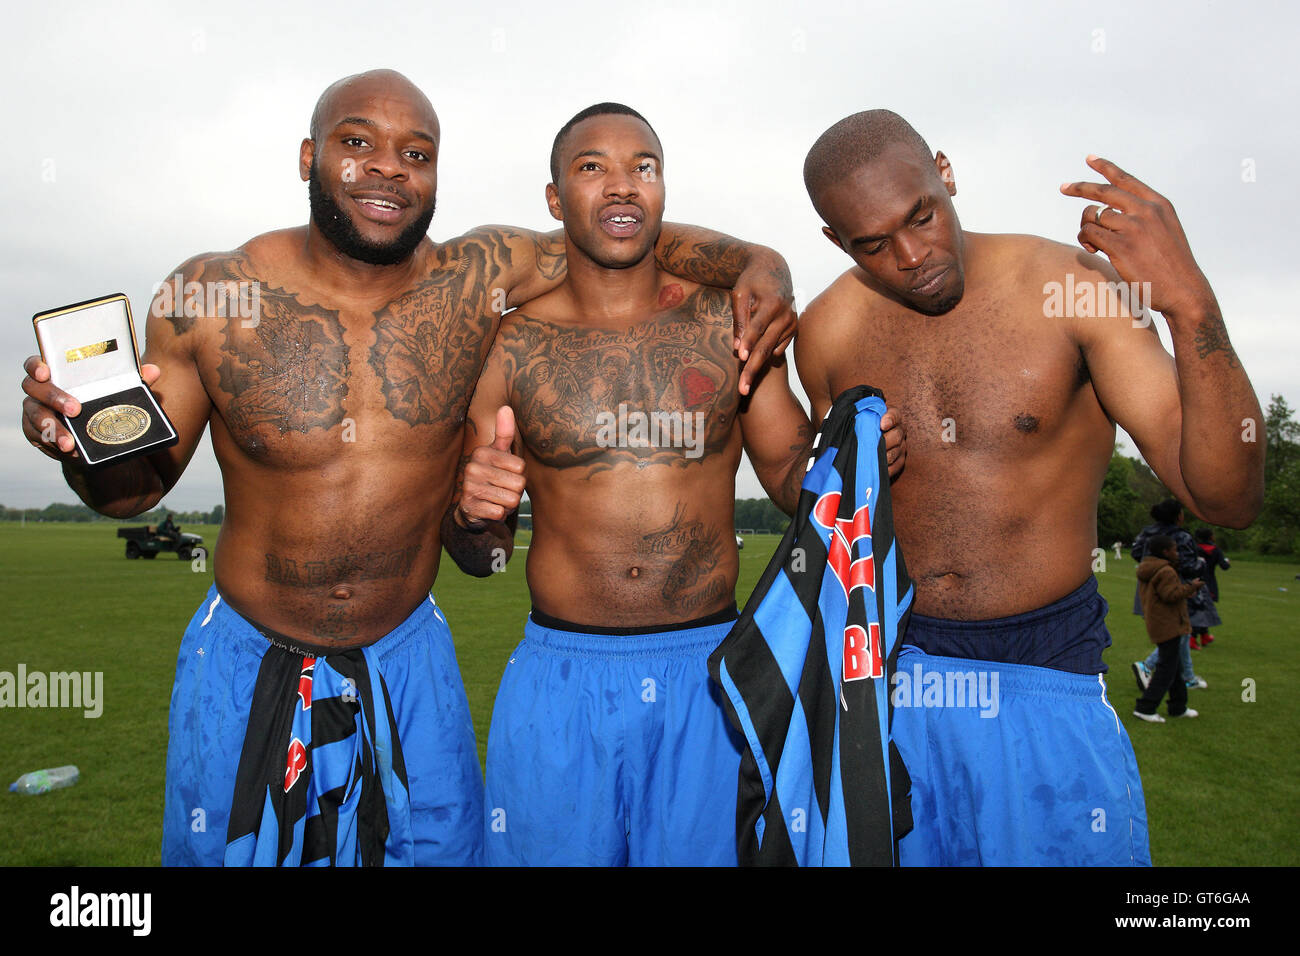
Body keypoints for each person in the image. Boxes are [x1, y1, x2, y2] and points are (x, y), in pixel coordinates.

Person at [19, 73, 798, 867]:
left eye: (416, 153)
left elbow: (623, 228)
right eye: (357, 144)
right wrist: (75, 443)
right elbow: (134, 490)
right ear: (307, 157)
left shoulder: (477, 280)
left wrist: (760, 261)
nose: (389, 169)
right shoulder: (215, 295)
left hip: (407, 658)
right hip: (249, 654)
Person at [441, 103, 906, 866]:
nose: (622, 186)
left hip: (708, 676)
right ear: (556, 200)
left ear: (663, 189)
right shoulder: (511, 344)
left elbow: (793, 477)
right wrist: (473, 513)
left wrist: (855, 458)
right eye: (593, 167)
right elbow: (473, 552)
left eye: (643, 167)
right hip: (560, 675)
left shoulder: (728, 323)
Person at [796, 109, 1264, 866]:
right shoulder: (826, 332)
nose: (913, 255)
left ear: (945, 173)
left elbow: (1228, 498)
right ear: (836, 243)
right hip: (889, 684)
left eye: (922, 215)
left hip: (1045, 675)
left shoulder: (1069, 288)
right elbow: (822, 507)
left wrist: (1191, 306)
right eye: (874, 244)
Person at [1131, 499, 1207, 690]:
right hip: (1174, 588)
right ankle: (1147, 665)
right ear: (1177, 516)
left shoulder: (1147, 532)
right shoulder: (1181, 536)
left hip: (1148, 586)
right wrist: (1201, 564)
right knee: (1178, 633)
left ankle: (1187, 676)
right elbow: (1190, 566)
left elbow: (1136, 552)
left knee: (1180, 634)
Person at [1133, 535, 1203, 723]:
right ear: (1165, 552)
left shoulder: (1150, 568)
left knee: (1175, 668)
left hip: (1160, 623)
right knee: (1166, 669)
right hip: (1169, 624)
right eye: (1174, 549)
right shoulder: (1166, 571)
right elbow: (1170, 595)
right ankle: (1145, 707)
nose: (1177, 553)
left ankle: (1178, 707)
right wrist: (1191, 587)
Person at [1192, 527, 1230, 645]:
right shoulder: (1215, 549)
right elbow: (1224, 566)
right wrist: (1227, 562)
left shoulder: (1195, 548)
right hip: (1209, 582)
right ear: (1210, 536)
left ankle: (1204, 635)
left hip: (1196, 580)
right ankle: (1193, 637)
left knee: (1199, 608)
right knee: (1204, 610)